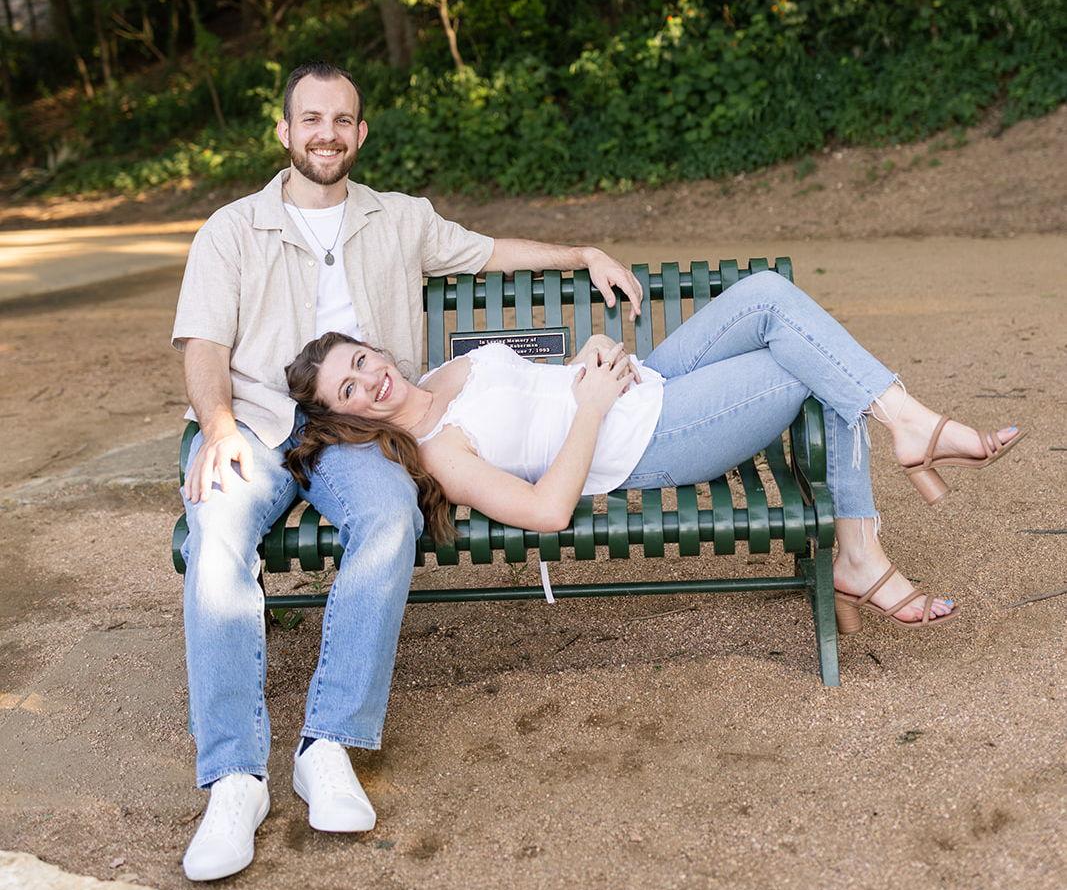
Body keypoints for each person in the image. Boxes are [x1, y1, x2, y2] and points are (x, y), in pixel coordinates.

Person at [173, 60, 645, 882]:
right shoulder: (231, 229)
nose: (326, 133)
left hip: (356, 429)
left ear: (359, 133)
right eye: (310, 118)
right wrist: (217, 425)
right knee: (217, 531)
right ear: (284, 131)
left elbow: (489, 251)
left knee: (392, 516)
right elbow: (203, 345)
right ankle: (235, 778)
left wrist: (583, 250)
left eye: (341, 120)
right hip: (253, 420)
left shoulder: (397, 218)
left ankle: (327, 746)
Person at [285, 270, 1025, 638]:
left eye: (360, 360)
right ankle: (899, 463)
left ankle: (886, 486)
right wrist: (591, 408)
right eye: (349, 389)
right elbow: (546, 510)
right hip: (655, 436)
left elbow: (543, 390)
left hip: (646, 384)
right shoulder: (441, 454)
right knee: (803, 366)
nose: (368, 380)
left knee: (770, 293)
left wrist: (590, 357)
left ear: (373, 348)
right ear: (345, 417)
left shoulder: (447, 372)